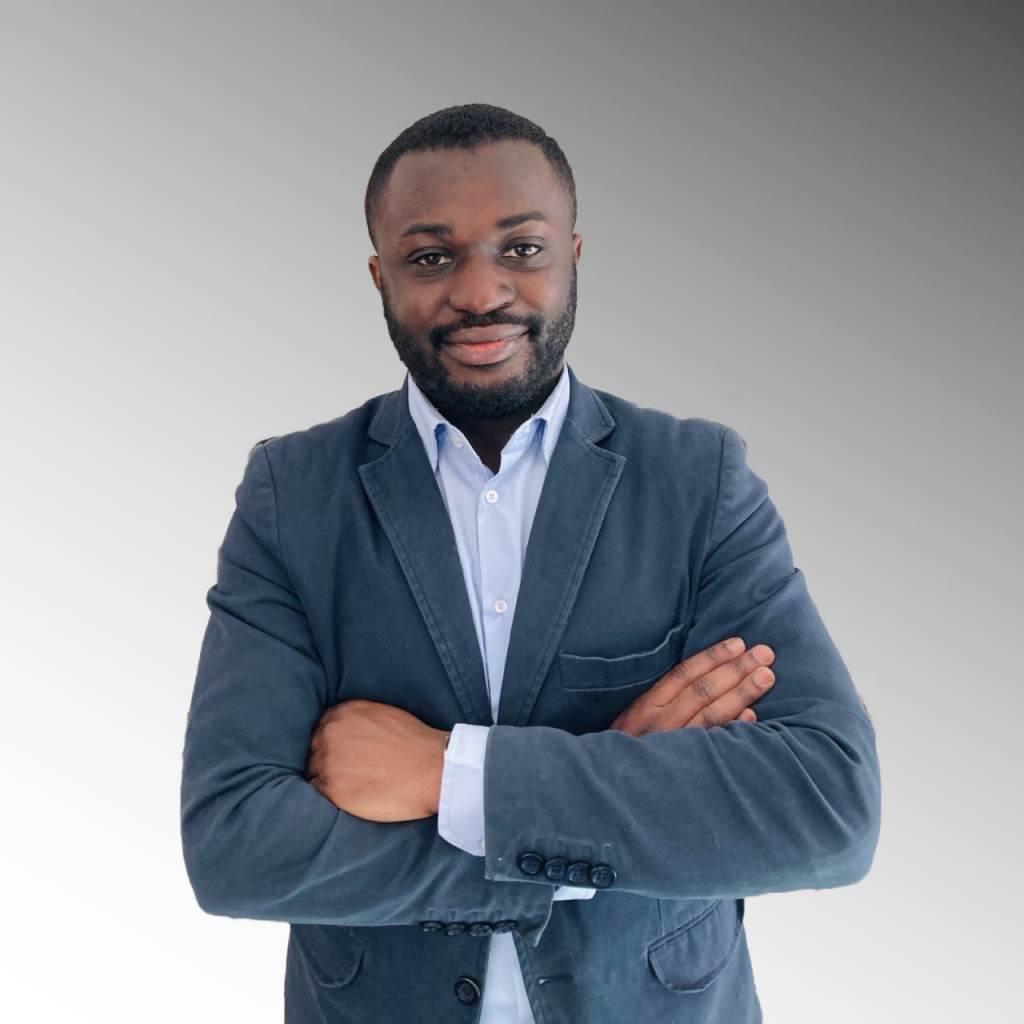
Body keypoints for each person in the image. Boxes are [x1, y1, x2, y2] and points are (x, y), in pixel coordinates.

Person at [180, 103, 881, 1024]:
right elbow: (235, 845)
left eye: (522, 248)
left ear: (573, 255)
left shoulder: (696, 480)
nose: (481, 291)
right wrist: (597, 811)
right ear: (379, 273)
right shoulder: (295, 494)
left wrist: (447, 774)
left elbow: (827, 807)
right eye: (431, 257)